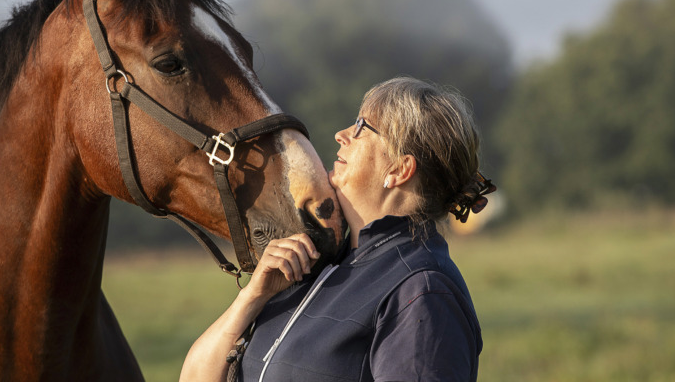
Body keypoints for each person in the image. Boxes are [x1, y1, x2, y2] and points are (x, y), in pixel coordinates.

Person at [180, 77, 495, 382]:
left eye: (361, 128)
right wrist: (253, 297)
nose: (341, 135)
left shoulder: (423, 291)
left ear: (400, 169)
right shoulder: (313, 264)